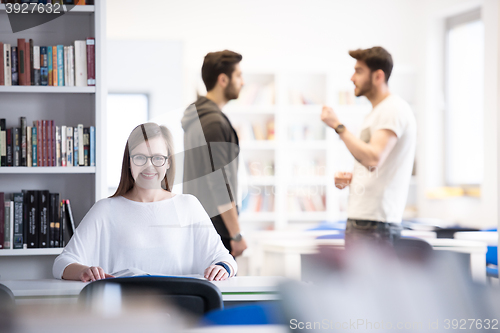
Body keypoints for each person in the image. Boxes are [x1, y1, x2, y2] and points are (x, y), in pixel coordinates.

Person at [53, 123, 237, 282]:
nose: (149, 166)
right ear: (129, 162)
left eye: (157, 158)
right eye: (140, 157)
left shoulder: (188, 206)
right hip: (125, 312)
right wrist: (84, 271)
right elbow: (62, 263)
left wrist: (222, 267)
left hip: (180, 310)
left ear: (168, 162)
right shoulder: (105, 209)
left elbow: (225, 259)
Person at [320, 46, 416, 247]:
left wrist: (338, 126)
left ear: (378, 76)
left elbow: (373, 157)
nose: (352, 78)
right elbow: (376, 164)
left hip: (376, 224)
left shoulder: (393, 109)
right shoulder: (378, 112)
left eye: (359, 71)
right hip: (366, 221)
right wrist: (354, 179)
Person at [181, 50, 247, 257]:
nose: (242, 82)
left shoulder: (199, 119)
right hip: (216, 232)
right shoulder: (214, 123)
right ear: (223, 79)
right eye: (238, 75)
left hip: (201, 227)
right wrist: (236, 235)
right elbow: (220, 183)